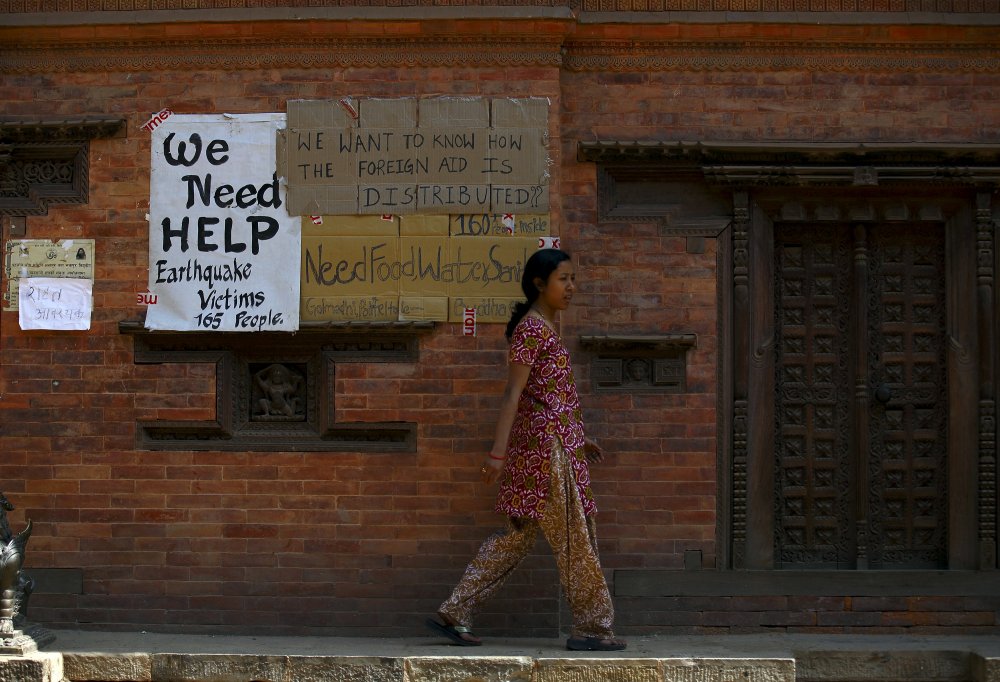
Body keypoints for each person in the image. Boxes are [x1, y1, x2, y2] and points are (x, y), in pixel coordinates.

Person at [425, 248, 626, 652]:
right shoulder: (533, 330)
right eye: (563, 279)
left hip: (552, 443)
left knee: (515, 539)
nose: (572, 287)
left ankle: (456, 610)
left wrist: (578, 436)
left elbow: (547, 395)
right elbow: (513, 394)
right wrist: (496, 454)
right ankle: (592, 628)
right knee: (575, 539)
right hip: (544, 453)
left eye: (573, 278)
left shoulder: (545, 328)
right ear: (539, 284)